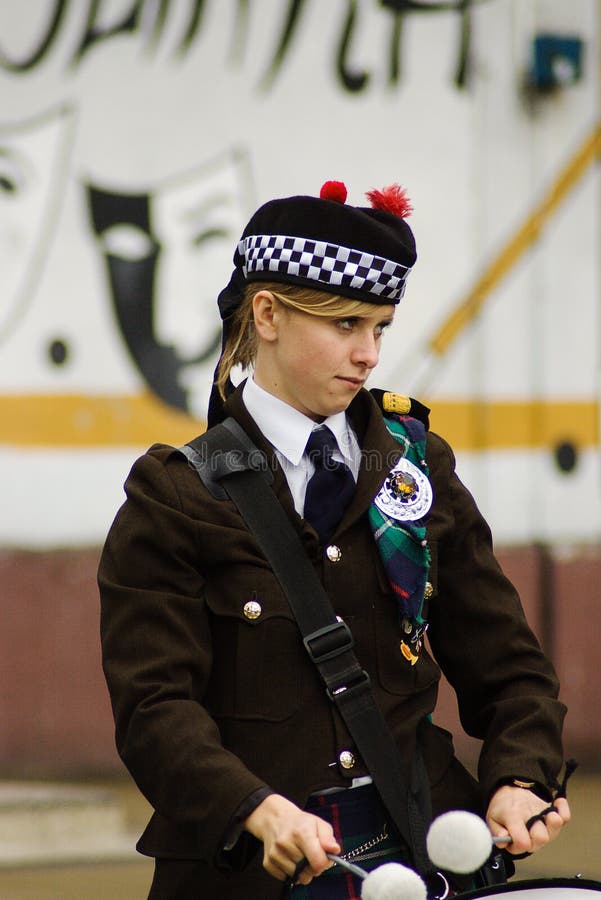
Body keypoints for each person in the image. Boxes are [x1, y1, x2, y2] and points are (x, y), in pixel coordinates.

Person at [99, 180, 571, 900]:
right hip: (251, 870)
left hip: (423, 846)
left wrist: (520, 777)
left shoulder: (414, 465)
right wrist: (253, 807)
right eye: (346, 324)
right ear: (267, 314)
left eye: (380, 327)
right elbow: (154, 708)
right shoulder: (176, 496)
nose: (369, 353)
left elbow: (509, 667)